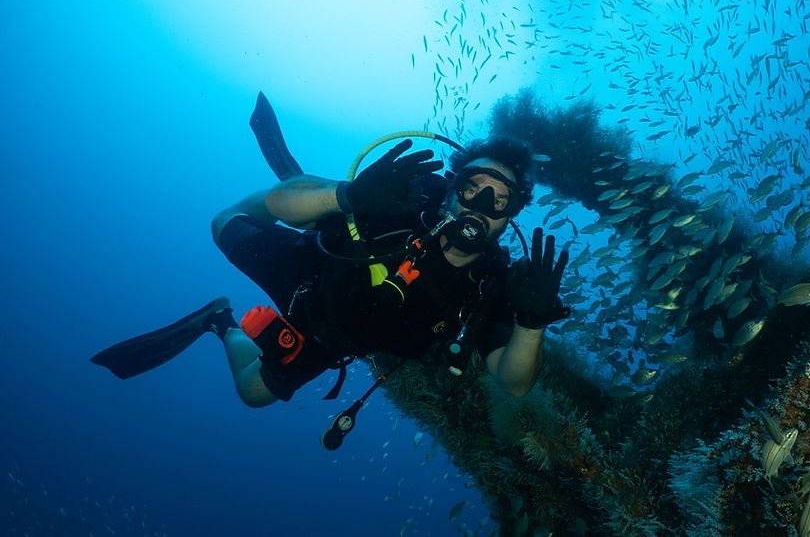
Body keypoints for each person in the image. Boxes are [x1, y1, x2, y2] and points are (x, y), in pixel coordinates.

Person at [92, 135, 569, 413]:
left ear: (511, 215)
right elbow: (280, 210)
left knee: (253, 393)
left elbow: (513, 382)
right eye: (472, 188)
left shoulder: (496, 284)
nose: (481, 206)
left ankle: (219, 320)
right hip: (313, 270)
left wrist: (531, 324)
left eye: (499, 198)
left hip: (333, 335)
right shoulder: (400, 203)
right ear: (449, 191)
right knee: (224, 224)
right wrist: (346, 198)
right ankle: (311, 197)